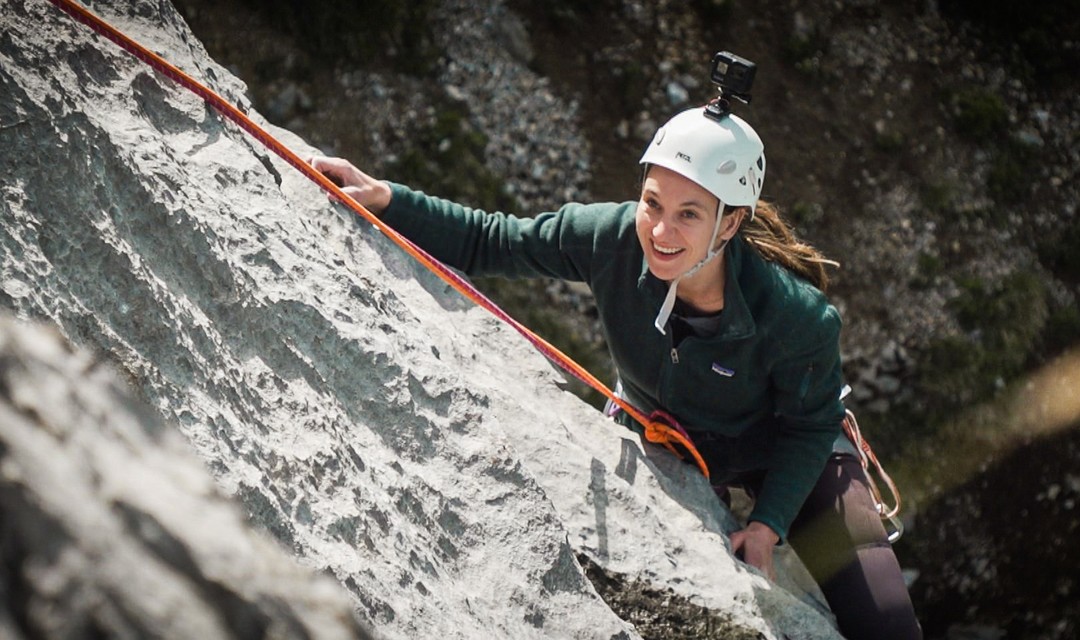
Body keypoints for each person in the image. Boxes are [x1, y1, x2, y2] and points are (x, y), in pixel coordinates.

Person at [310, 102, 921, 640]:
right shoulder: (608, 238)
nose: (660, 231)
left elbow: (811, 427)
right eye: (652, 203)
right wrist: (388, 197)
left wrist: (766, 527)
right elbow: (493, 240)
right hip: (668, 434)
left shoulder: (794, 315)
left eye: (689, 214)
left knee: (886, 622)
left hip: (783, 442)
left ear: (729, 223)